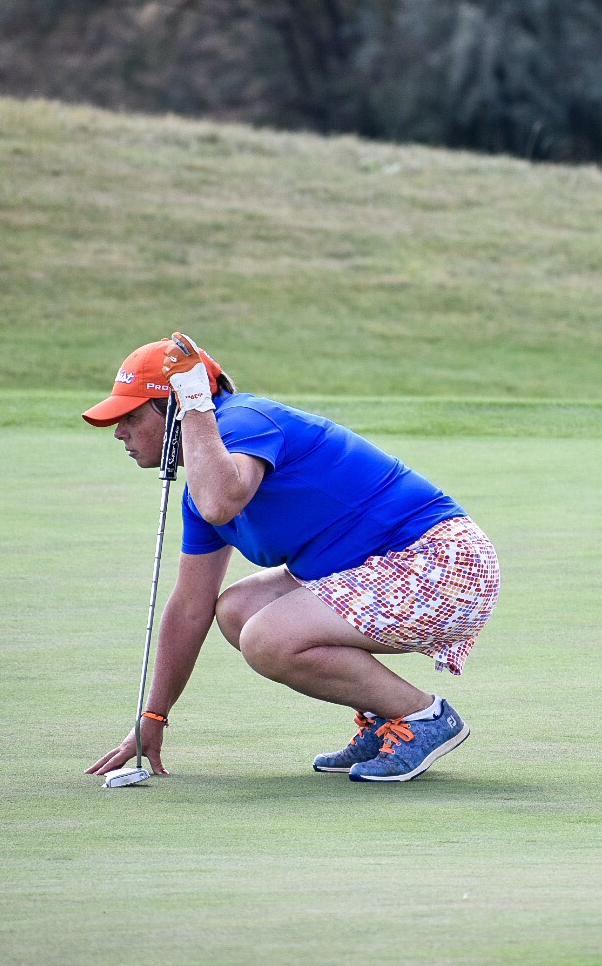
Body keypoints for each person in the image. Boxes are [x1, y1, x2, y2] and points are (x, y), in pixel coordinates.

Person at [82, 334, 500, 783]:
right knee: (236, 611)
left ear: (177, 407)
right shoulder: (200, 491)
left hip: (443, 565)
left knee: (269, 637)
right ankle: (386, 717)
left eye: (130, 415)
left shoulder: (242, 420)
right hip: (385, 570)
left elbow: (224, 501)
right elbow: (190, 605)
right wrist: (154, 717)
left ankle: (423, 717)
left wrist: (198, 408)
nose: (119, 431)